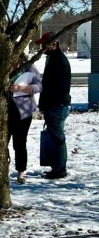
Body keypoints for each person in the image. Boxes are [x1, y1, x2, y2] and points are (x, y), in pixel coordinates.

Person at [35, 32, 71, 179]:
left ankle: (60, 169)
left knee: (58, 138)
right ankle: (57, 166)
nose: (42, 47)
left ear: (53, 44)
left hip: (56, 105)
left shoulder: (58, 61)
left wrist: (48, 104)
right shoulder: (53, 59)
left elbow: (55, 87)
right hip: (55, 104)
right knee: (56, 136)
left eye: (45, 44)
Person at [8, 53, 43, 184]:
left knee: (20, 143)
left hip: (23, 111)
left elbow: (39, 85)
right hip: (4, 110)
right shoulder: (1, 66)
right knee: (2, 143)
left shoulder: (28, 67)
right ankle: (2, 169)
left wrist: (22, 88)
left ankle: (21, 172)